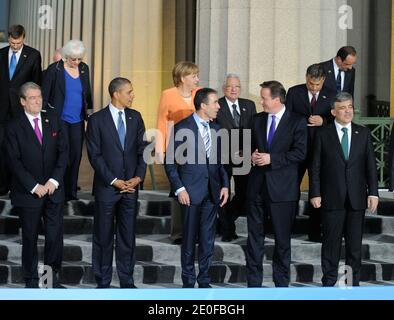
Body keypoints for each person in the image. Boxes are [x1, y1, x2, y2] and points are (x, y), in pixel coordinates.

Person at [309, 92, 379, 287]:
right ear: (333, 112)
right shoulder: (323, 134)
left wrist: (373, 192)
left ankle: (350, 285)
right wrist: (315, 192)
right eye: (342, 108)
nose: (348, 111)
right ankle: (329, 284)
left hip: (356, 199)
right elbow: (315, 166)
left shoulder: (362, 133)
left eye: (350, 107)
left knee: (354, 248)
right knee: (331, 246)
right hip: (332, 199)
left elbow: (370, 166)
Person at [4, 82, 68, 288]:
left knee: (54, 237)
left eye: (39, 96)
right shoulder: (13, 127)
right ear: (23, 102)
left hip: (53, 190)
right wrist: (34, 186)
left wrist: (53, 181)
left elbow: (64, 153)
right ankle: (31, 280)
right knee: (30, 237)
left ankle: (49, 279)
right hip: (28, 193)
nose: (37, 100)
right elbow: (13, 161)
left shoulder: (54, 120)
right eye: (32, 98)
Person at [165, 88, 229, 288]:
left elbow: (221, 163)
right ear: (203, 105)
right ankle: (188, 280)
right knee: (189, 239)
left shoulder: (218, 129)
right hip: (190, 194)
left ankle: (204, 279)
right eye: (215, 102)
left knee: (208, 239)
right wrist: (179, 189)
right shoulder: (181, 128)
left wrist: (225, 185)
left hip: (212, 192)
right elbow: (169, 163)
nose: (219, 106)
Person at [245, 81, 307, 287]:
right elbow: (247, 149)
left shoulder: (297, 121)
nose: (261, 101)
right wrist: (252, 155)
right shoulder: (256, 120)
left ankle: (281, 285)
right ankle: (253, 284)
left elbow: (300, 153)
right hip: (257, 188)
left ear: (277, 99)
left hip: (283, 190)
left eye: (264, 98)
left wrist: (273, 159)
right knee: (254, 239)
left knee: (282, 241)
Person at [86, 77, 146, 288]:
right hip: (106, 187)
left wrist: (138, 177)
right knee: (103, 236)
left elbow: (142, 151)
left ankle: (126, 280)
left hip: (131, 187)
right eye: (129, 92)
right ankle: (102, 281)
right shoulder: (96, 120)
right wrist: (114, 180)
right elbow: (94, 155)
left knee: (127, 236)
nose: (132, 95)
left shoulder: (135, 117)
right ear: (116, 94)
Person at [286, 64, 336, 242]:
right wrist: (302, 121)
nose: (314, 88)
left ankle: (315, 230)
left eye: (317, 84)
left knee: (318, 190)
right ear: (306, 77)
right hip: (298, 148)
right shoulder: (294, 92)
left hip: (321, 149)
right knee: (292, 187)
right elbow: (287, 117)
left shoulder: (332, 93)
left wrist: (323, 120)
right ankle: (287, 226)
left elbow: (338, 119)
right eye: (310, 83)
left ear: (323, 81)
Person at [42, 40, 93, 201]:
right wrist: (47, 119)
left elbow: (87, 94)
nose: (76, 62)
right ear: (66, 56)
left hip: (77, 120)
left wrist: (88, 117)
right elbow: (45, 95)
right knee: (62, 154)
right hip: (60, 120)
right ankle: (59, 189)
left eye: (79, 59)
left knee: (76, 156)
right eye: (73, 59)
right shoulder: (54, 70)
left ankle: (71, 191)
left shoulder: (84, 69)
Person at [156, 61, 200, 245]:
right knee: (178, 187)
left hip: (198, 148)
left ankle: (195, 232)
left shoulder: (199, 93)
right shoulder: (168, 94)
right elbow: (162, 122)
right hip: (177, 148)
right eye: (194, 76)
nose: (197, 79)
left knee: (197, 188)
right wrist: (160, 149)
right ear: (183, 78)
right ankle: (178, 233)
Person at [0, 24, 42, 195]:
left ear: (24, 37)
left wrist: (34, 107)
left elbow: (36, 83)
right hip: (1, 110)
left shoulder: (33, 55)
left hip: (22, 110)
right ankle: (3, 185)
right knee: (2, 148)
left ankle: (20, 185)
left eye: (18, 43)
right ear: (8, 39)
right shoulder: (1, 54)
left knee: (21, 149)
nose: (15, 46)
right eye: (12, 43)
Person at [215, 74, 256, 242]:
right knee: (223, 193)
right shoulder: (217, 105)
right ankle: (227, 230)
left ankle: (225, 221)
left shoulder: (249, 105)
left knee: (244, 194)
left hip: (244, 157)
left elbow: (254, 130)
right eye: (230, 86)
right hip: (224, 156)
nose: (233, 89)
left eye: (237, 87)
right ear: (224, 88)